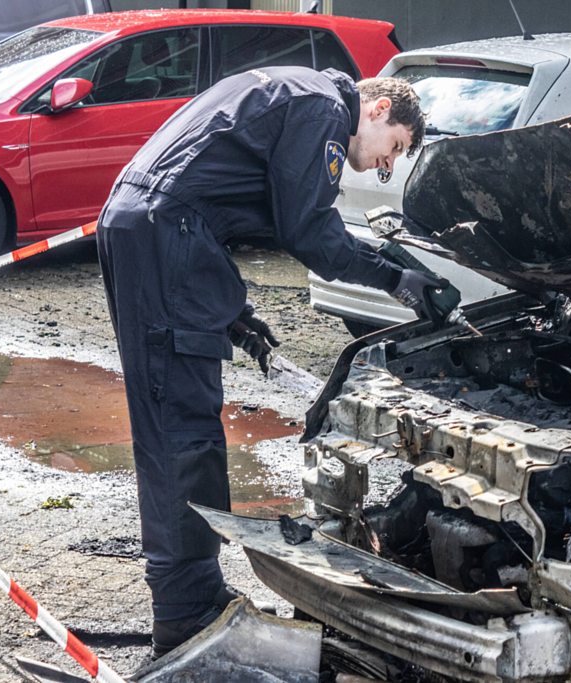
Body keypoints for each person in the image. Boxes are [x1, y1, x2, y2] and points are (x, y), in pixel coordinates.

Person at [95, 66, 435, 657]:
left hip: (151, 227)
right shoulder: (325, 112)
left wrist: (231, 310)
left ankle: (192, 597)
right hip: (162, 235)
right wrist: (398, 279)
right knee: (182, 433)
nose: (385, 164)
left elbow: (209, 187)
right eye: (394, 148)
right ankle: (187, 613)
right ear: (378, 108)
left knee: (179, 425)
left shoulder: (296, 92)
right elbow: (311, 234)